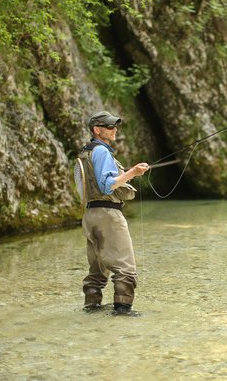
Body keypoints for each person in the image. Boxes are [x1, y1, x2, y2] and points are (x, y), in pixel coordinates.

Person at [77, 110, 150, 315]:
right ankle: (123, 311)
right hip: (108, 215)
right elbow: (108, 185)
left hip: (90, 215)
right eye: (109, 126)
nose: (114, 129)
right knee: (125, 268)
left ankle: (91, 309)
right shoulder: (102, 151)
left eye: (115, 126)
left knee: (97, 271)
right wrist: (133, 172)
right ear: (97, 130)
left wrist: (129, 174)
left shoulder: (86, 152)